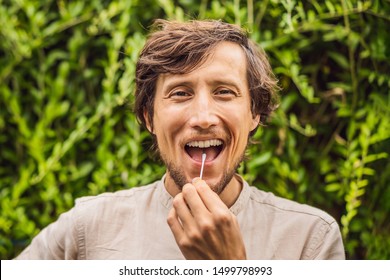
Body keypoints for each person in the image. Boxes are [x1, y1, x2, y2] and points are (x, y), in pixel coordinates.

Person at [16, 19, 345, 260]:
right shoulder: (87, 227)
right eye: (180, 93)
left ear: (254, 114)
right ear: (149, 118)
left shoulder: (310, 240)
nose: (203, 117)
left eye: (224, 92)